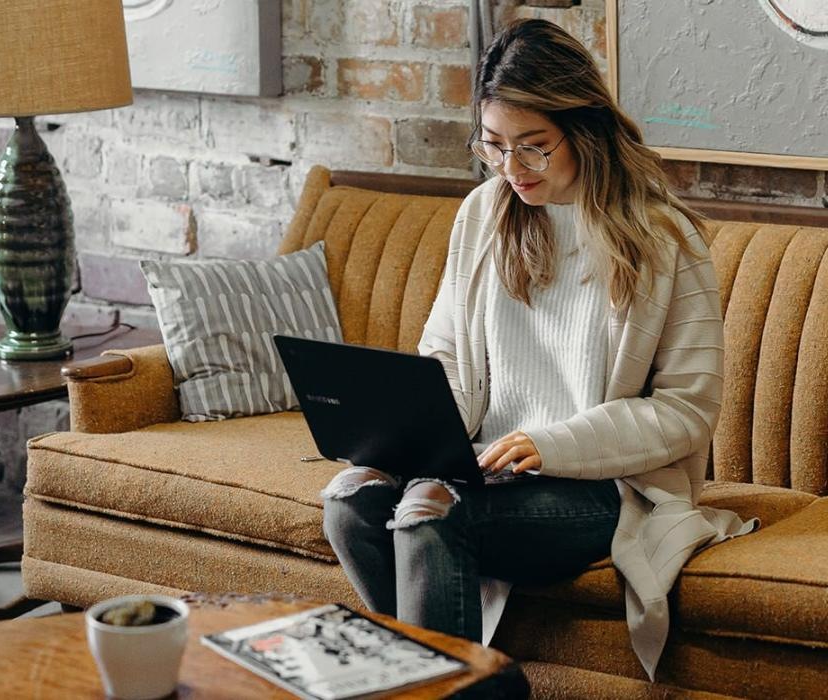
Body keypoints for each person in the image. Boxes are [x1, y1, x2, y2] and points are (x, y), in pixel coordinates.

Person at [319, 18, 753, 679]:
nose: (512, 169)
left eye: (534, 147)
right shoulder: (482, 214)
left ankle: (450, 689)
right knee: (350, 503)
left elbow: (687, 410)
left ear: (583, 130)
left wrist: (554, 444)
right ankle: (466, 687)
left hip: (603, 486)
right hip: (480, 468)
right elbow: (446, 357)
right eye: (494, 147)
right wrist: (409, 432)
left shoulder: (664, 240)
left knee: (431, 514)